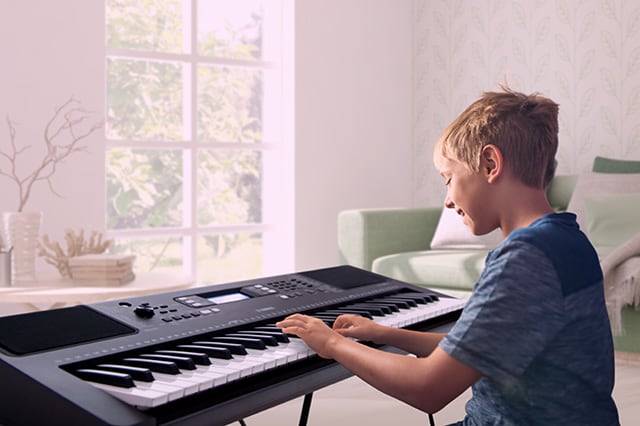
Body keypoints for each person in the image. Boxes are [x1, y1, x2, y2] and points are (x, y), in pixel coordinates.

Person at [276, 86, 620, 425]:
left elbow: (428, 387)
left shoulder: (525, 259)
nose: (448, 200)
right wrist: (385, 333)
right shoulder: (567, 240)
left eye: (449, 178)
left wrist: (332, 344)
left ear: (489, 163)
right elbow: (475, 348)